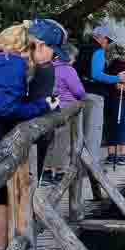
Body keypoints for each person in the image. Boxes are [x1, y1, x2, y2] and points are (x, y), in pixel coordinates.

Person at [0, 22, 58, 250]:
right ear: (35, 46)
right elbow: (5, 108)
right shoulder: (11, 63)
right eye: (51, 50)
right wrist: (42, 106)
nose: (52, 57)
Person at [75, 26, 125, 196]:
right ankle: (92, 168)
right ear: (102, 38)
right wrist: (118, 78)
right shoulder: (97, 51)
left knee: (79, 132)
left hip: (78, 94)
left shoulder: (81, 49)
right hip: (94, 95)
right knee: (93, 132)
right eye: (108, 40)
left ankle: (77, 166)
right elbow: (97, 74)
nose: (108, 44)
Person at [27, 19, 68, 183]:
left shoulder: (43, 66)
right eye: (53, 50)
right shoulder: (44, 68)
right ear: (41, 45)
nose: (54, 56)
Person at [44, 44, 86, 185]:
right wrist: (82, 97)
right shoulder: (68, 70)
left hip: (49, 107)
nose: (75, 60)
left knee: (50, 140)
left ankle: (46, 171)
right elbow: (78, 91)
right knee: (63, 141)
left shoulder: (48, 67)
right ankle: (60, 171)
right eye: (74, 57)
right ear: (69, 56)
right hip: (66, 109)